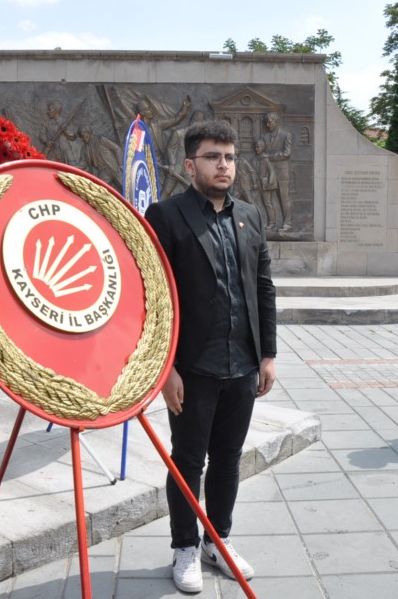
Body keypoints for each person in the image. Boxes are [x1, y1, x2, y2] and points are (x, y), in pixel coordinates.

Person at [144, 119, 277, 593]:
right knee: (187, 460)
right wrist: (166, 368)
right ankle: (184, 547)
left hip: (243, 365)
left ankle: (216, 540)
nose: (224, 165)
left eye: (230, 157)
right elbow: (154, 296)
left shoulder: (250, 215)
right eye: (213, 157)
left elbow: (262, 286)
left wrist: (268, 355)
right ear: (189, 164)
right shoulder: (167, 216)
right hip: (192, 370)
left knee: (228, 458)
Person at [254, 111, 293, 231]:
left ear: (276, 122)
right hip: (267, 172)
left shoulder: (286, 135)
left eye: (269, 122)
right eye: (266, 122)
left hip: (281, 171)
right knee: (268, 200)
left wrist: (269, 157)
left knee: (283, 197)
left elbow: (287, 153)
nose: (267, 124)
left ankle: (288, 223)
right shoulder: (264, 137)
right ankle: (272, 223)